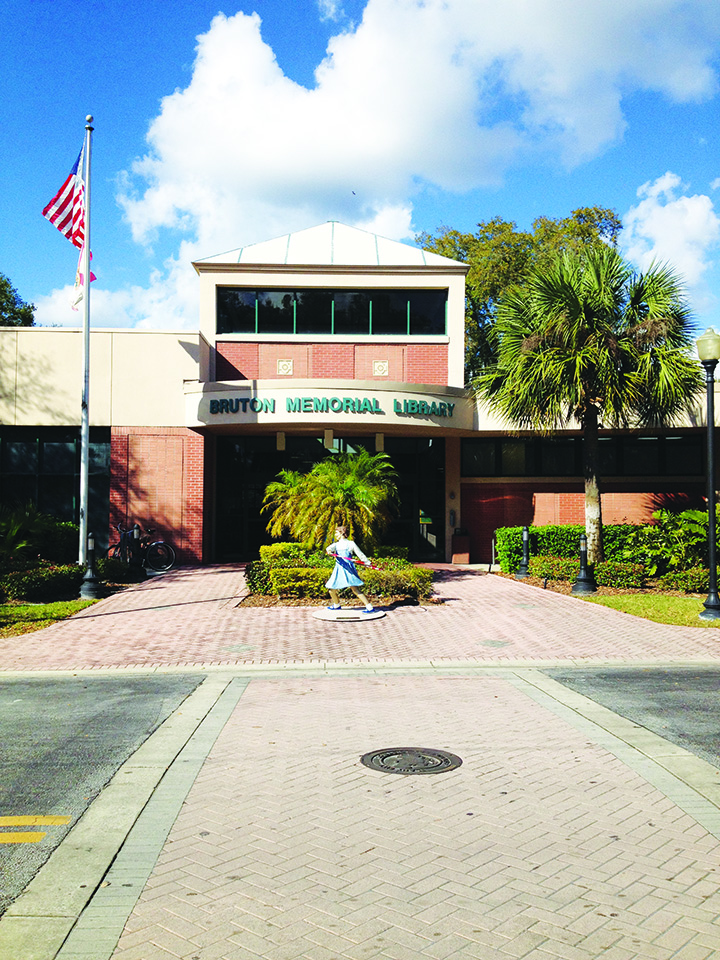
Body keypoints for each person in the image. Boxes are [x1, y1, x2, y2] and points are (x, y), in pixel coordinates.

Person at [325, 525, 374, 612]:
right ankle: (336, 605)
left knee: (355, 589)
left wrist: (367, 562)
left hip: (348, 569)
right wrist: (329, 551)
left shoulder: (350, 543)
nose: (335, 535)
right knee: (331, 589)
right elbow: (328, 549)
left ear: (342, 533)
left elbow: (360, 554)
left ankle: (369, 607)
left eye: (336, 533)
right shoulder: (336, 545)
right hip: (339, 569)